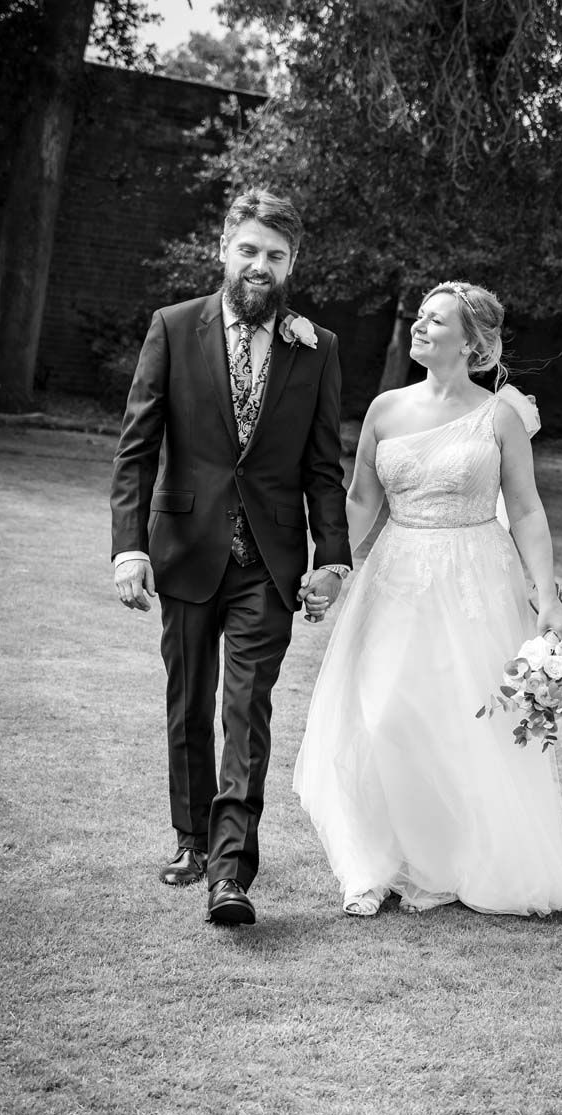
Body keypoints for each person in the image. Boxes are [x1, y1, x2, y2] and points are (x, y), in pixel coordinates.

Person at [294, 281, 562, 917]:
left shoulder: (500, 417)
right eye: (421, 319)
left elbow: (526, 508)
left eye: (437, 322)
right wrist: (332, 569)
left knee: (462, 723)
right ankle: (373, 865)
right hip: (396, 573)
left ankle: (453, 862)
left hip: (473, 577)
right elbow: (360, 501)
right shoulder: (385, 409)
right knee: (380, 715)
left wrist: (547, 597)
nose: (421, 329)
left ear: (472, 343)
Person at [110, 188, 352, 926]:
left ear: (292, 264)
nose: (260, 264)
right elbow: (137, 449)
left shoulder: (318, 348)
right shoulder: (173, 329)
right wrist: (129, 550)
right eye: (248, 249)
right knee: (189, 704)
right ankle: (190, 838)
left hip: (268, 565)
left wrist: (331, 558)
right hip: (184, 549)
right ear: (224, 247)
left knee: (247, 711)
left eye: (275, 255)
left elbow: (321, 468)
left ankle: (230, 869)